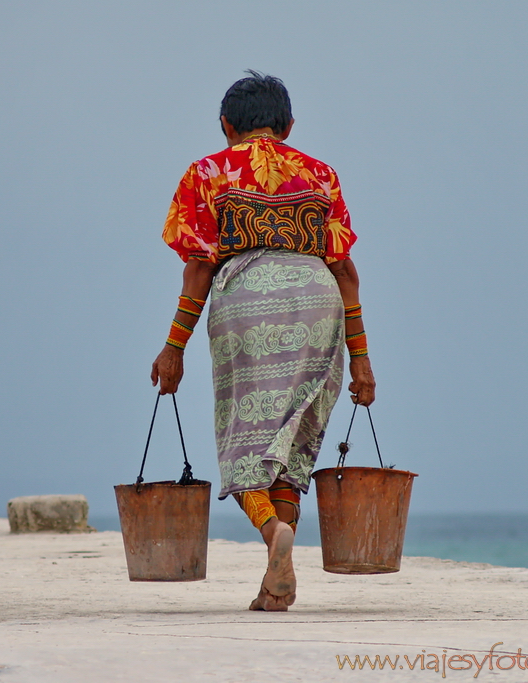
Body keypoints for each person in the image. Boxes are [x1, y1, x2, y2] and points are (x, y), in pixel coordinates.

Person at [150, 71, 376, 611]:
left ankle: (274, 531)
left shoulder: (207, 173)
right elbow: (345, 271)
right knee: (294, 436)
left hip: (244, 300)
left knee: (245, 435)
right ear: (289, 126)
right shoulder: (320, 175)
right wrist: (362, 361)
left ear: (226, 125)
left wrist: (173, 346)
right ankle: (275, 586)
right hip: (320, 301)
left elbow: (198, 272)